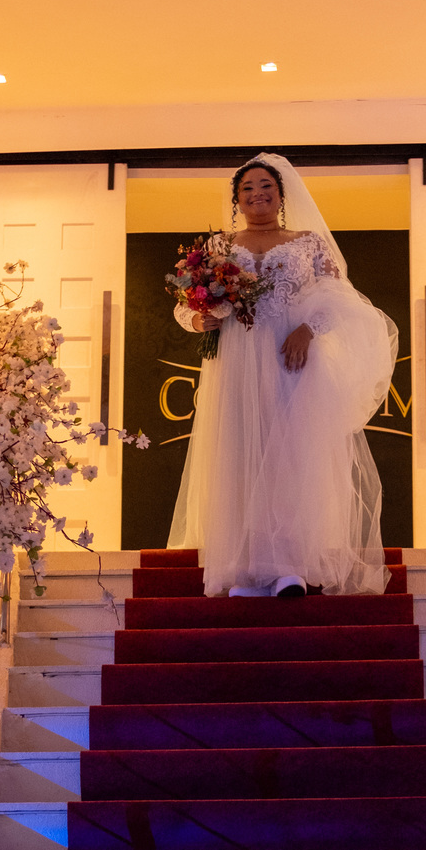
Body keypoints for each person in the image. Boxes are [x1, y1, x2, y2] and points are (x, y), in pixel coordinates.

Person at [168, 153, 398, 598]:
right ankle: (248, 570)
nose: (258, 194)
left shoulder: (309, 243)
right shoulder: (218, 247)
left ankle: (291, 566)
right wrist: (198, 320)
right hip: (236, 363)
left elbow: (340, 299)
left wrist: (308, 329)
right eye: (248, 188)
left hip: (290, 360)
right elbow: (186, 304)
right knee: (239, 457)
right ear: (237, 199)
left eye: (266, 186)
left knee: (291, 459)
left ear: (281, 194)